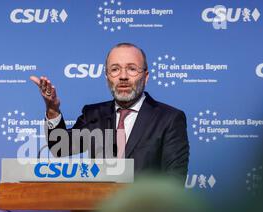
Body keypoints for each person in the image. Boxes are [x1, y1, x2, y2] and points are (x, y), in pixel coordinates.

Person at [30, 42, 190, 183]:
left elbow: (173, 182)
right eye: (115, 69)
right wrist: (52, 109)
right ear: (107, 77)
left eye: (132, 69)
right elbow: (60, 148)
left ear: (146, 77)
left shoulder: (169, 119)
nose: (123, 77)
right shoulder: (93, 115)